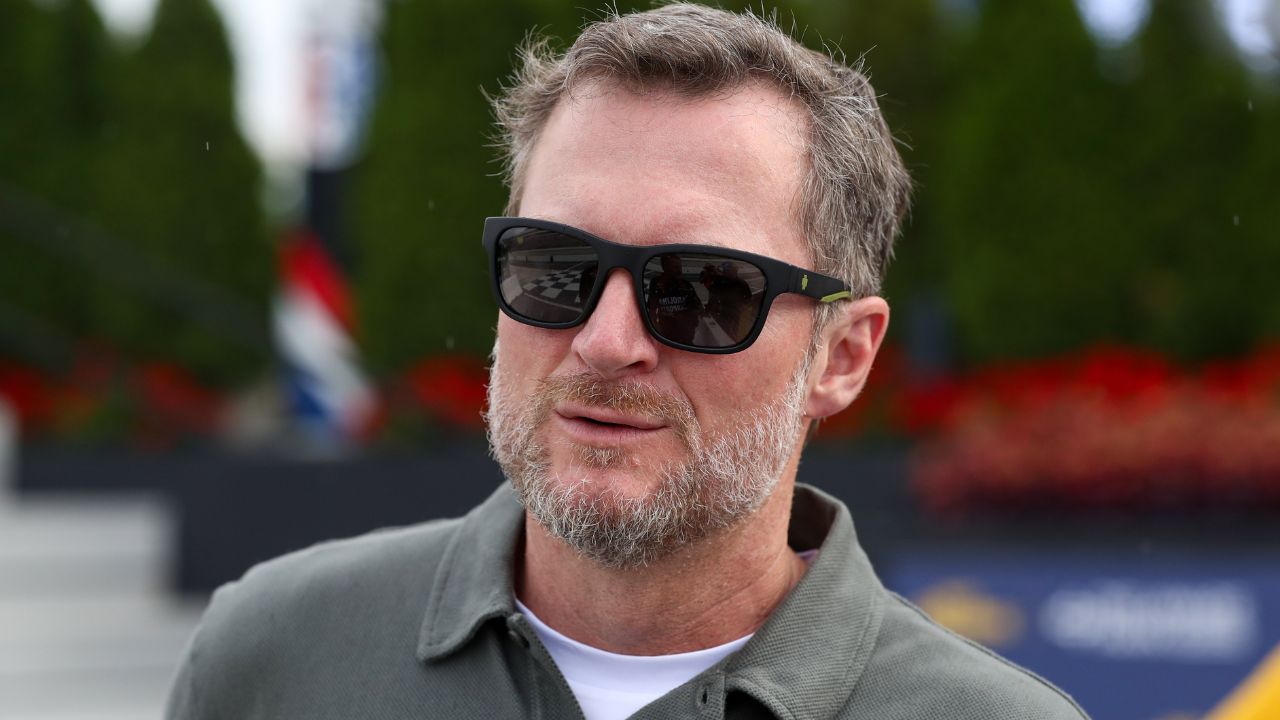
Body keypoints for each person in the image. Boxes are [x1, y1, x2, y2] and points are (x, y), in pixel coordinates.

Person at [166, 5, 1088, 719]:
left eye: (698, 290)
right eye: (555, 270)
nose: (606, 342)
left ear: (842, 357)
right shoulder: (275, 656)